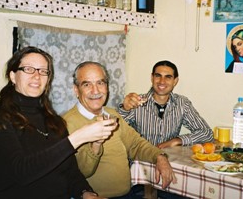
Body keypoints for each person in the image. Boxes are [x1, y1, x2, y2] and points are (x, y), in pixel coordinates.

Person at [0, 47, 117, 199]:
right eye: (28, 69)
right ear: (13, 76)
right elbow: (21, 172)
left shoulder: (53, 121)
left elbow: (70, 171)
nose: (37, 76)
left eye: (43, 71)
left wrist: (85, 192)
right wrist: (78, 138)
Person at [62, 61, 176, 198]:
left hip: (128, 194)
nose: (95, 91)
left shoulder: (112, 114)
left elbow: (136, 144)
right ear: (76, 90)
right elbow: (80, 173)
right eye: (87, 84)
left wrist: (159, 157)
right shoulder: (66, 124)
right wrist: (96, 145)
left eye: (100, 83)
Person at [118, 60, 214, 149]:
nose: (162, 81)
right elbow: (116, 131)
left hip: (168, 160)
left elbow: (207, 133)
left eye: (168, 77)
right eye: (158, 76)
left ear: (175, 81)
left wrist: (177, 141)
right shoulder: (136, 101)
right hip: (140, 162)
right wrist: (125, 109)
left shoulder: (182, 103)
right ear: (152, 78)